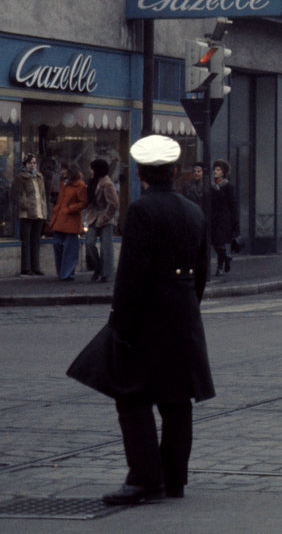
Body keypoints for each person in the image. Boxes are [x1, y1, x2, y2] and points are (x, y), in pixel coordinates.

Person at [77, 134, 213, 505]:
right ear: (174, 171)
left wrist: (121, 321)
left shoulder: (141, 211)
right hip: (184, 315)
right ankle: (174, 480)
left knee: (132, 397)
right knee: (176, 401)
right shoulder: (193, 211)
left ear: (141, 174)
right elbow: (202, 271)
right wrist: (187, 306)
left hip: (149, 315)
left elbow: (132, 273)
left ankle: (144, 478)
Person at [49, 161, 88, 282]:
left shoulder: (80, 185)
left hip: (70, 219)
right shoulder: (62, 183)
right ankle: (63, 272)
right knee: (58, 245)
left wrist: (69, 209)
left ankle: (67, 274)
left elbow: (83, 202)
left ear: (70, 171)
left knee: (69, 249)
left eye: (64, 169)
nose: (62, 172)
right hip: (60, 218)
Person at [84, 158, 120, 282]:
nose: (90, 171)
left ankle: (105, 273)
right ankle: (97, 268)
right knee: (89, 243)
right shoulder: (93, 181)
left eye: (92, 169)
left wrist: (105, 218)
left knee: (106, 246)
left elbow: (114, 203)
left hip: (105, 217)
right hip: (93, 217)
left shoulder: (107, 183)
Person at [13, 153, 47, 276]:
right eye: (30, 163)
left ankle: (36, 266)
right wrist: (24, 204)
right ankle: (26, 267)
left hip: (38, 211)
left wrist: (44, 209)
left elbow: (42, 194)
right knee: (26, 241)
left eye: (34, 163)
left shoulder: (39, 176)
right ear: (25, 164)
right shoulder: (20, 177)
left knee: (36, 240)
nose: (32, 165)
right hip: (26, 213)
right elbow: (16, 194)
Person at [210, 159, 239, 274]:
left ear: (223, 172)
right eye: (215, 169)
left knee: (220, 242)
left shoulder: (228, 186)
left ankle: (220, 266)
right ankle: (226, 258)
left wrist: (234, 222)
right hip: (213, 218)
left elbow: (233, 204)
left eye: (218, 169)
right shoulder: (211, 185)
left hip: (224, 218)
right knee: (214, 243)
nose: (215, 172)